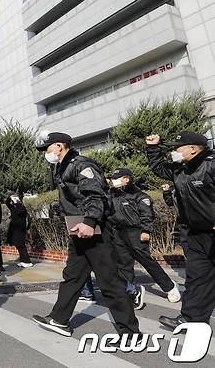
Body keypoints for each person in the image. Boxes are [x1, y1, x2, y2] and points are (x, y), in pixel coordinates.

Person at [31, 132, 139, 338]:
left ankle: (131, 331)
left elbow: (95, 194)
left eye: (48, 148)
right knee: (73, 275)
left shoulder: (81, 164)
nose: (46, 153)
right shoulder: (63, 166)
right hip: (78, 226)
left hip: (92, 228)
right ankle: (59, 319)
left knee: (108, 280)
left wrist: (89, 222)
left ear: (59, 146)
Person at [146, 132, 215, 329]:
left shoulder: (211, 164)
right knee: (197, 277)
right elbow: (159, 168)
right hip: (194, 233)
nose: (174, 152)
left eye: (177, 148)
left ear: (193, 148)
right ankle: (192, 320)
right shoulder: (180, 169)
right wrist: (153, 148)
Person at [107, 168, 181, 310]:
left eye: (117, 178)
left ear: (126, 179)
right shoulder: (112, 195)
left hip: (136, 233)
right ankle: (131, 294)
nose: (113, 181)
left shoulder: (139, 196)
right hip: (118, 233)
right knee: (123, 264)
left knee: (147, 262)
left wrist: (146, 230)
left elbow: (147, 214)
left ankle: (169, 287)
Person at [5, 194, 32, 268]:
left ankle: (27, 261)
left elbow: (20, 212)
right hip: (15, 229)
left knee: (21, 245)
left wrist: (17, 202)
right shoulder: (13, 208)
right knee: (18, 245)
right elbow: (7, 203)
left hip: (20, 229)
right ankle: (23, 261)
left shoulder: (22, 208)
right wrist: (9, 197)